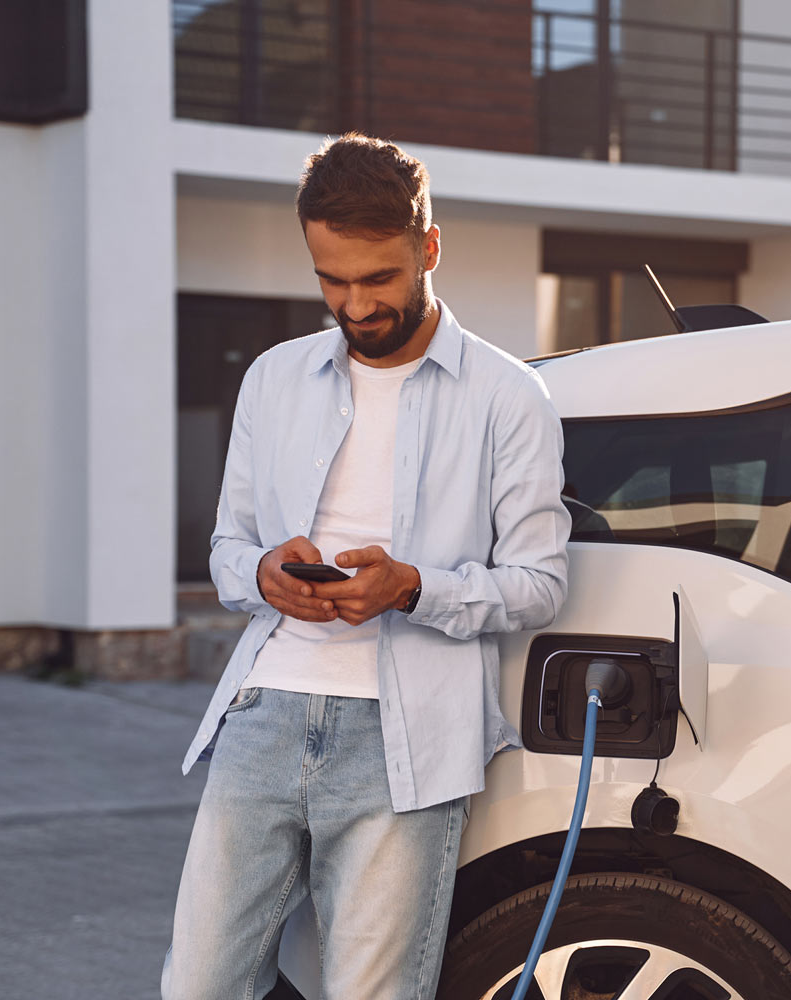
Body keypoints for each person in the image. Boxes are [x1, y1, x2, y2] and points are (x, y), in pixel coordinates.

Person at [161, 133, 571, 1000]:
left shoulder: (508, 397)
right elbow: (227, 548)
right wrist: (265, 572)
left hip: (407, 738)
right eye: (331, 279)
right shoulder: (273, 379)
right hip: (265, 714)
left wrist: (413, 585)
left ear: (428, 249)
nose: (354, 304)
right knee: (198, 986)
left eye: (377, 279)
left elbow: (540, 581)